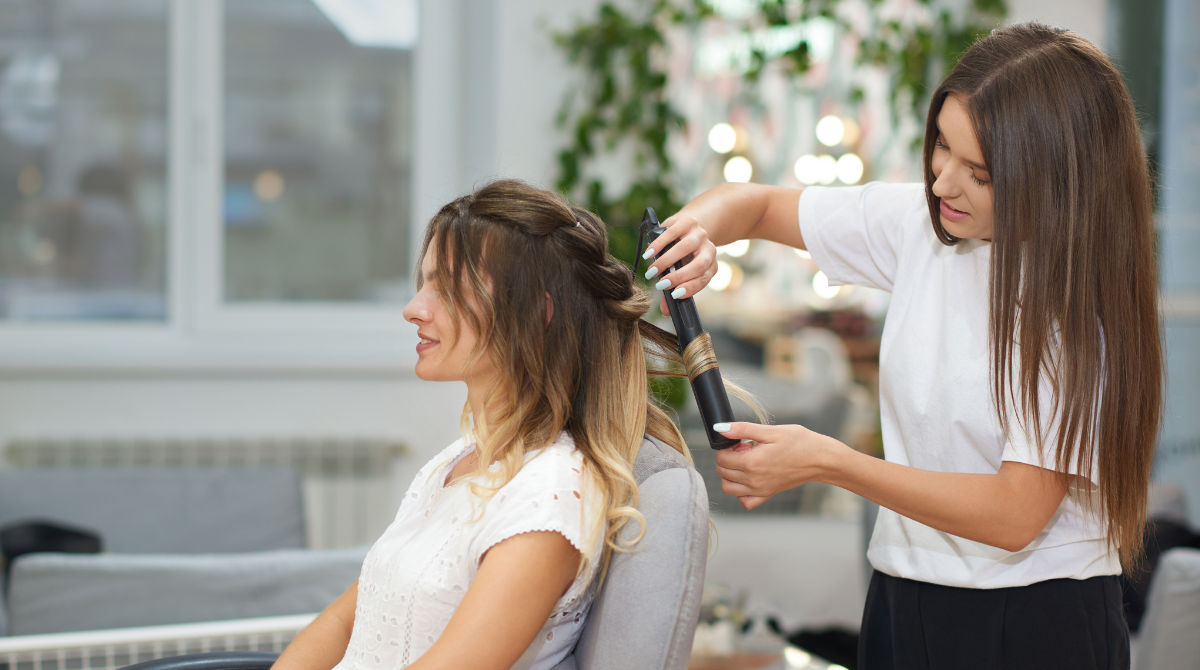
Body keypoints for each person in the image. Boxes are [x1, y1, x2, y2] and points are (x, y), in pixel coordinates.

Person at [642, 23, 1160, 668]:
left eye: (981, 173)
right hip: (905, 592)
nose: (943, 183)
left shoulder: (1069, 310)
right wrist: (697, 233)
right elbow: (754, 203)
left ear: (1057, 181)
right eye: (941, 146)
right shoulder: (922, 226)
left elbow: (1014, 516)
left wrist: (830, 461)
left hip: (1035, 615)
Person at [274, 180, 697, 670]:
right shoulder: (453, 465)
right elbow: (347, 623)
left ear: (538, 313)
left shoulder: (551, 494)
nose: (415, 309)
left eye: (448, 288)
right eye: (425, 282)